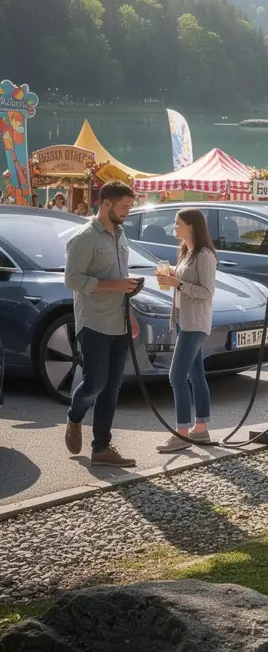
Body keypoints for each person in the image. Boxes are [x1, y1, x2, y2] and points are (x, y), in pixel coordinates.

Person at [63, 180, 141, 468]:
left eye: (130, 207)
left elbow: (122, 279)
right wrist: (114, 285)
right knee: (95, 384)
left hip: (120, 321)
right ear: (106, 204)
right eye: (124, 206)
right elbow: (72, 280)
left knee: (112, 388)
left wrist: (130, 312)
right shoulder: (83, 238)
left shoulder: (120, 235)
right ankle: (74, 417)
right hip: (94, 322)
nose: (128, 212)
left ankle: (101, 448)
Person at [155, 209, 218, 453]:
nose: (174, 227)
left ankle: (181, 433)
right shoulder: (186, 252)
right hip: (184, 321)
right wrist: (172, 274)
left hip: (195, 323)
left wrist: (177, 283)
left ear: (191, 226)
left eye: (177, 223)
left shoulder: (204, 255)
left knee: (176, 376)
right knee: (195, 375)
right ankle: (201, 429)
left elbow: (207, 292)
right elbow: (185, 280)